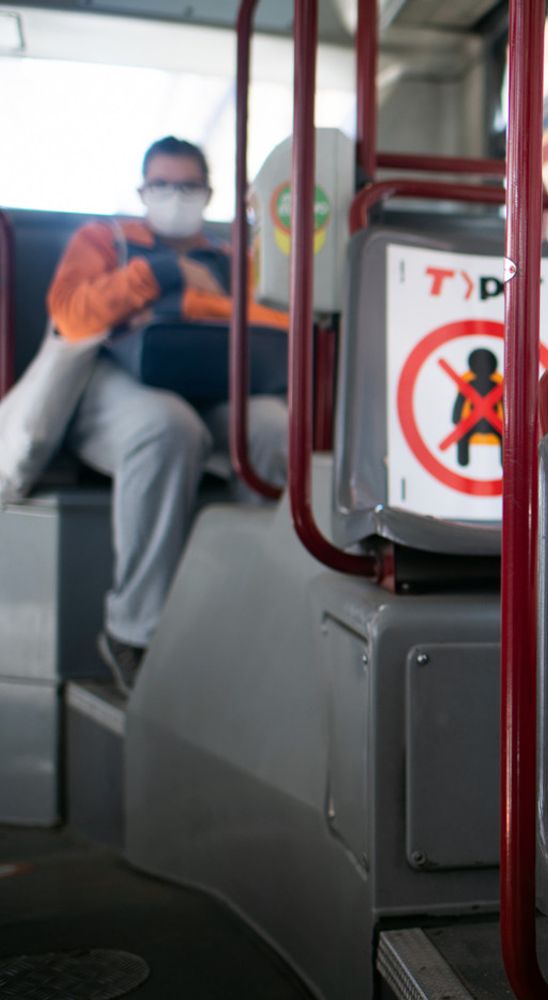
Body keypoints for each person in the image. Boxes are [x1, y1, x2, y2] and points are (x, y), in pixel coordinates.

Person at [46, 136, 291, 693]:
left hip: (214, 382)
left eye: (187, 187)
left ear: (207, 194)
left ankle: (263, 616)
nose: (174, 197)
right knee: (167, 427)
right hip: (116, 382)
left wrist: (183, 300)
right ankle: (134, 631)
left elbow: (270, 320)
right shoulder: (103, 240)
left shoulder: (234, 260)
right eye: (162, 186)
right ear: (142, 190)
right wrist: (159, 276)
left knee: (276, 428)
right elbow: (73, 315)